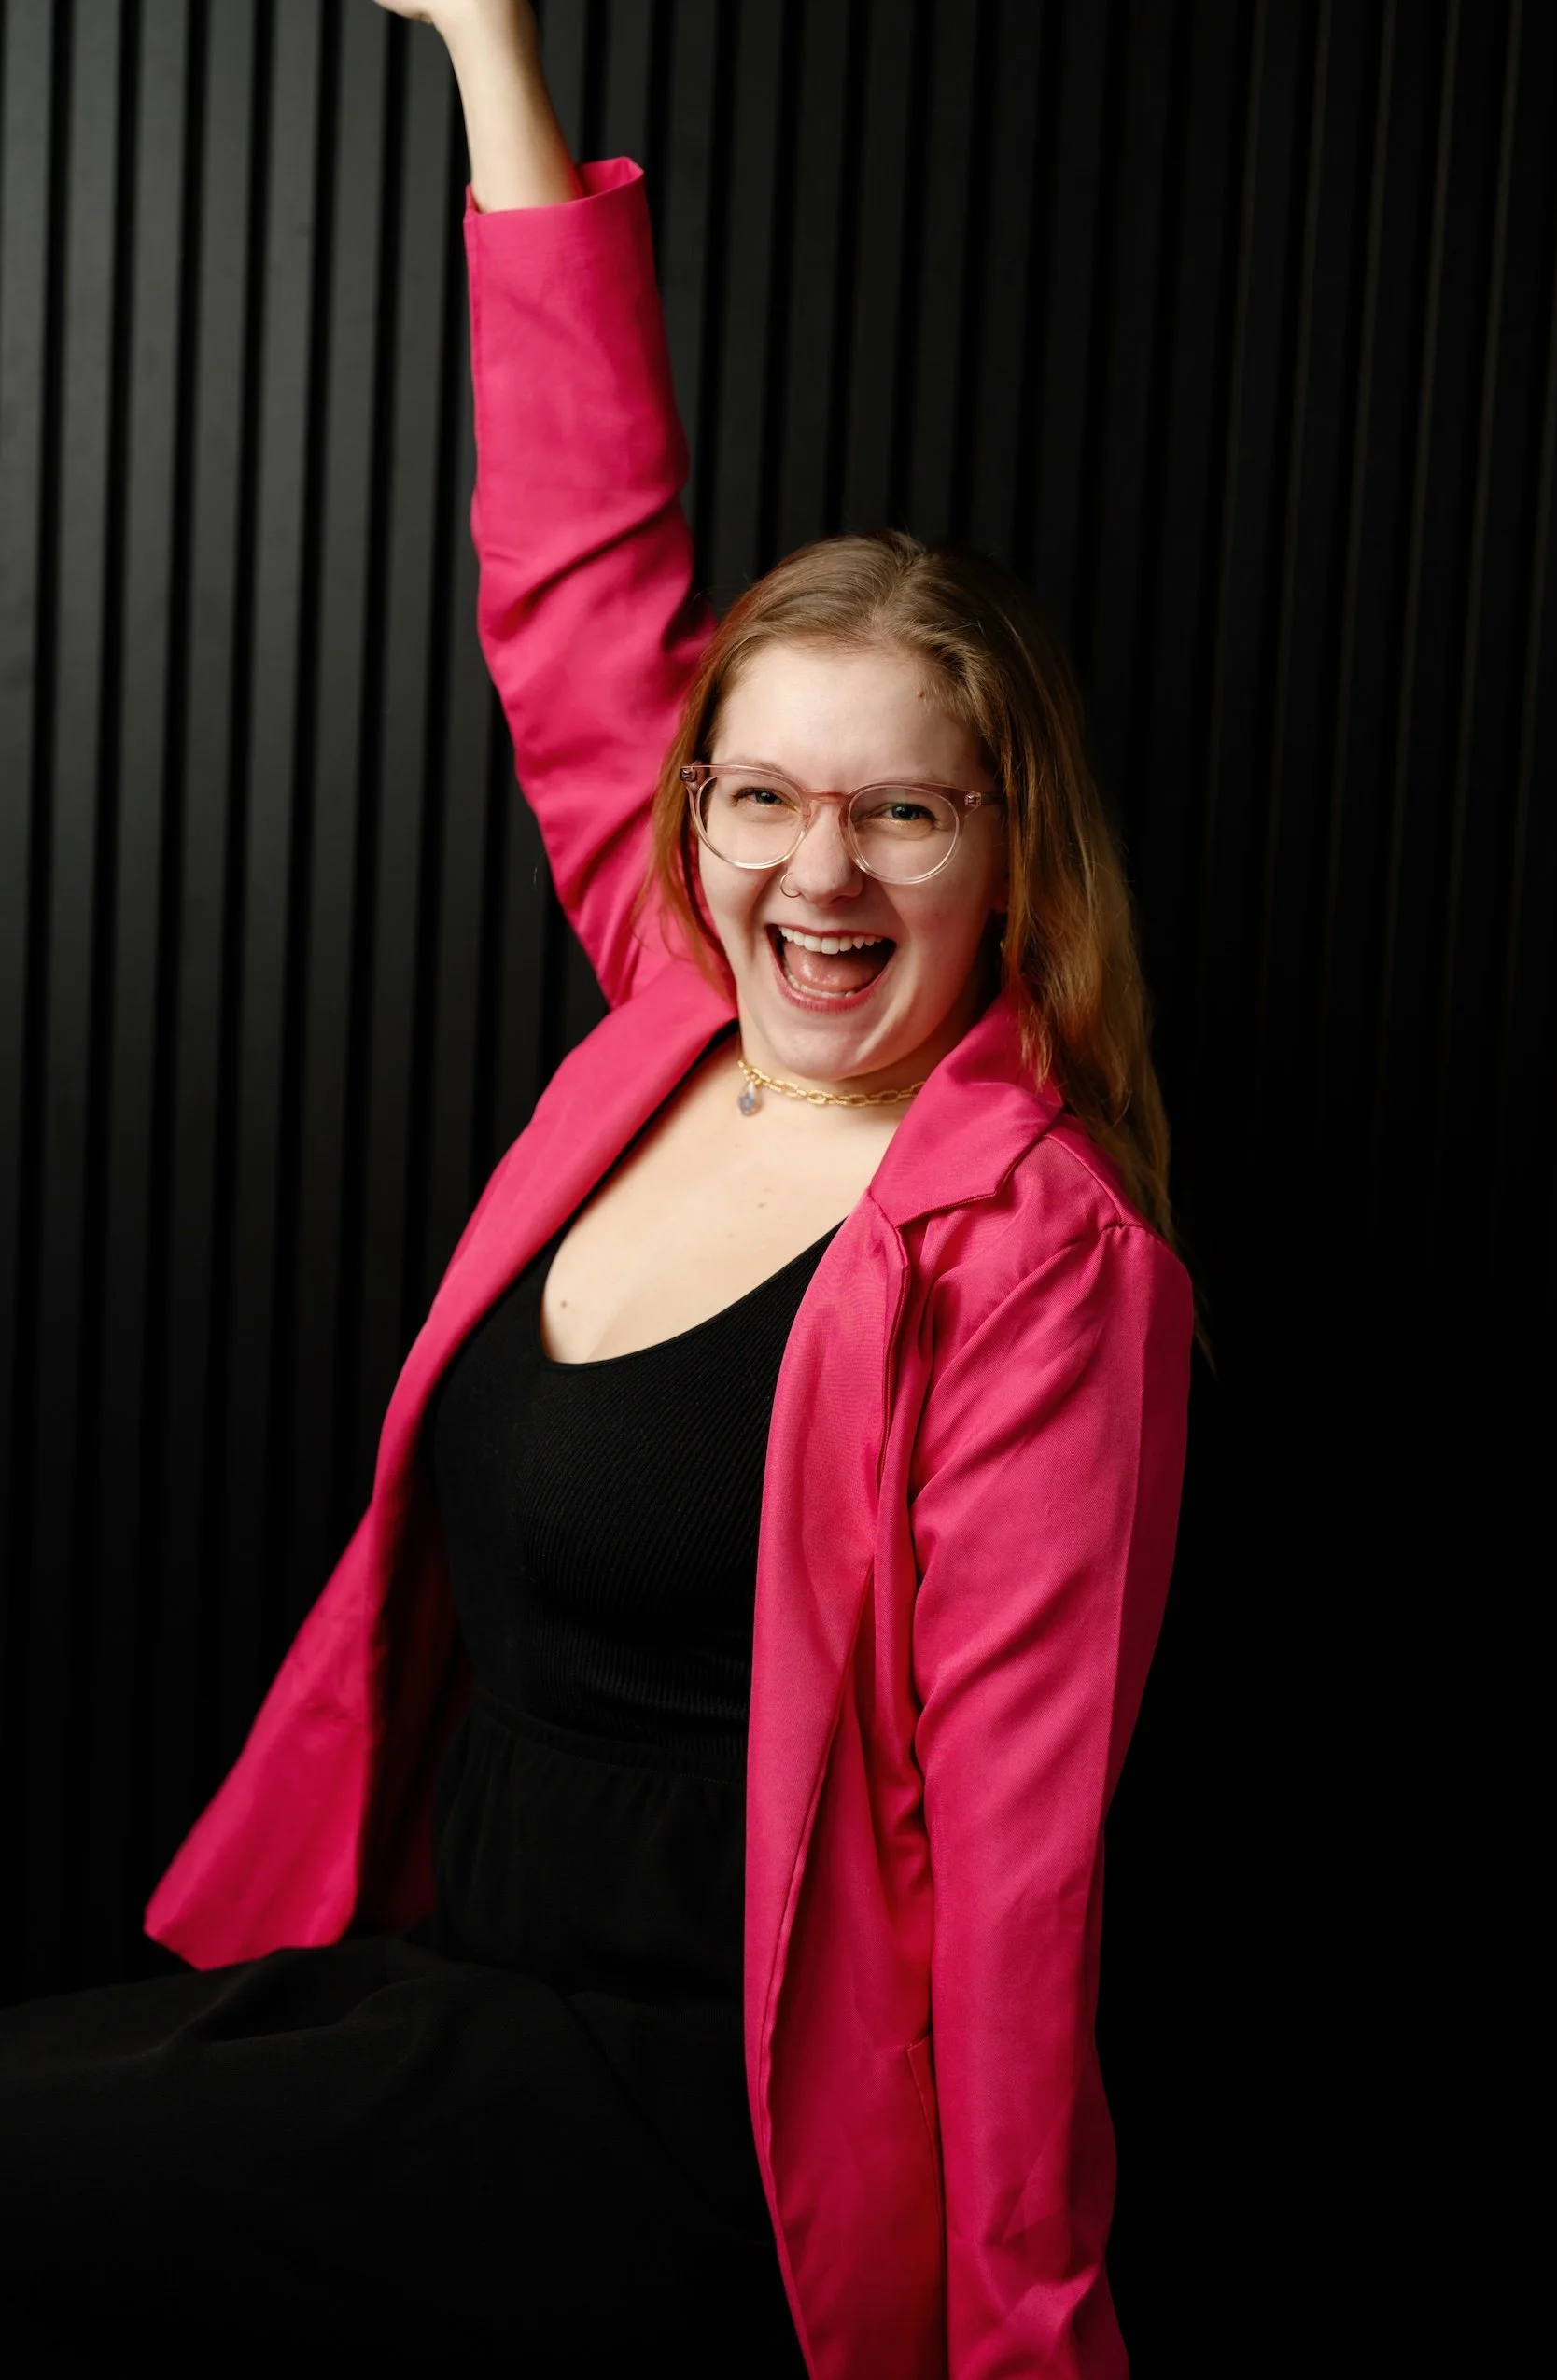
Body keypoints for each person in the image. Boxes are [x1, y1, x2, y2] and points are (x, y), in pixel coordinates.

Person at [0, 2, 1192, 2371]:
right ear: (693, 821)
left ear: (1007, 850)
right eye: (760, 795)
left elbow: (1018, 1874)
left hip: (683, 2114)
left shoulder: (1048, 1264)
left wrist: (1018, 2336)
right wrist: (487, 50)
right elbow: (575, 576)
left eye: (902, 812)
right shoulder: (677, 1006)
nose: (815, 871)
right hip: (432, 1974)